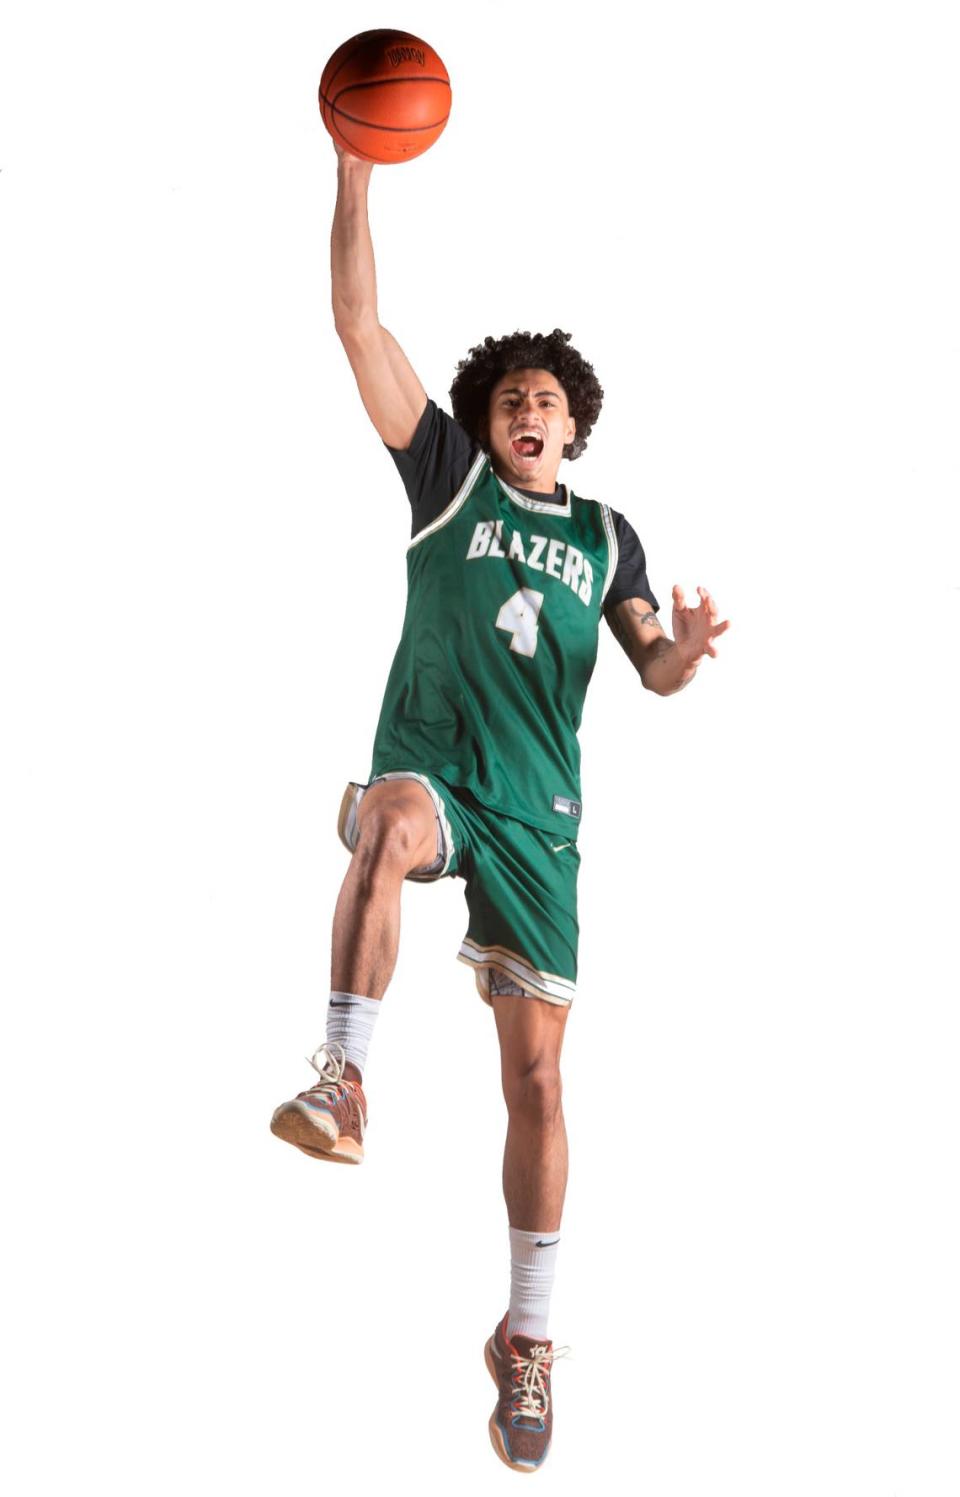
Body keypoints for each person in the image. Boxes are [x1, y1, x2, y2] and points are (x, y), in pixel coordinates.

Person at [270, 139, 730, 1474]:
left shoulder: (607, 537)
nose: (527, 409)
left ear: (574, 426)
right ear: (488, 417)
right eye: (510, 395)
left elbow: (645, 662)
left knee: (539, 1078)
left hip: (540, 816)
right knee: (387, 823)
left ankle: (526, 1339)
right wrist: (356, 176)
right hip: (435, 757)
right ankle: (343, 1075)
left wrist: (684, 655)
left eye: (547, 399)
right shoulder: (447, 479)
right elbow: (359, 321)